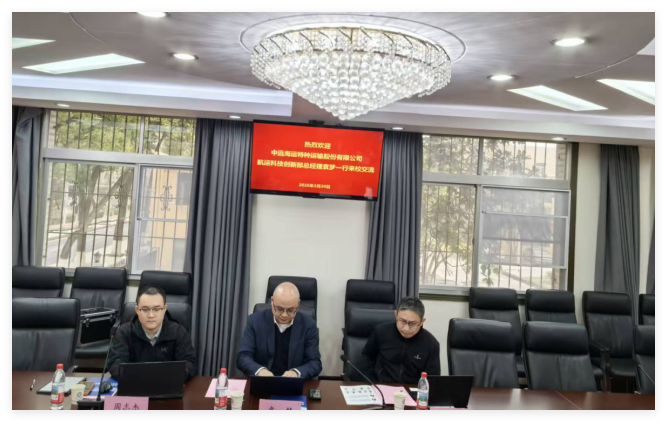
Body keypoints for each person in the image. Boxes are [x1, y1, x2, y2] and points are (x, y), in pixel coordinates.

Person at [108, 286, 197, 380]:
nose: (151, 315)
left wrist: (169, 377)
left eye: (156, 309)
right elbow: (115, 363)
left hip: (168, 383)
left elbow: (190, 363)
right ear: (137, 310)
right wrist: (141, 377)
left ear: (164, 309)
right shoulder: (124, 332)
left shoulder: (178, 332)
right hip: (135, 383)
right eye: (145, 309)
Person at [237, 282, 322, 379]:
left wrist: (296, 372)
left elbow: (315, 363)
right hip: (262, 381)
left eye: (290, 310)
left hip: (292, 383)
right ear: (272, 301)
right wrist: (260, 371)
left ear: (298, 304)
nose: (284, 315)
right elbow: (243, 357)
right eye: (279, 309)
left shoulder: (308, 325)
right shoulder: (254, 321)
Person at [362, 296, 441, 384]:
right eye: (402, 321)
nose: (406, 328)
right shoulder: (381, 332)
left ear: (422, 321)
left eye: (412, 323)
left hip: (413, 389)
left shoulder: (431, 344)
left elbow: (432, 379)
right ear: (396, 314)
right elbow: (367, 358)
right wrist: (371, 382)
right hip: (382, 386)